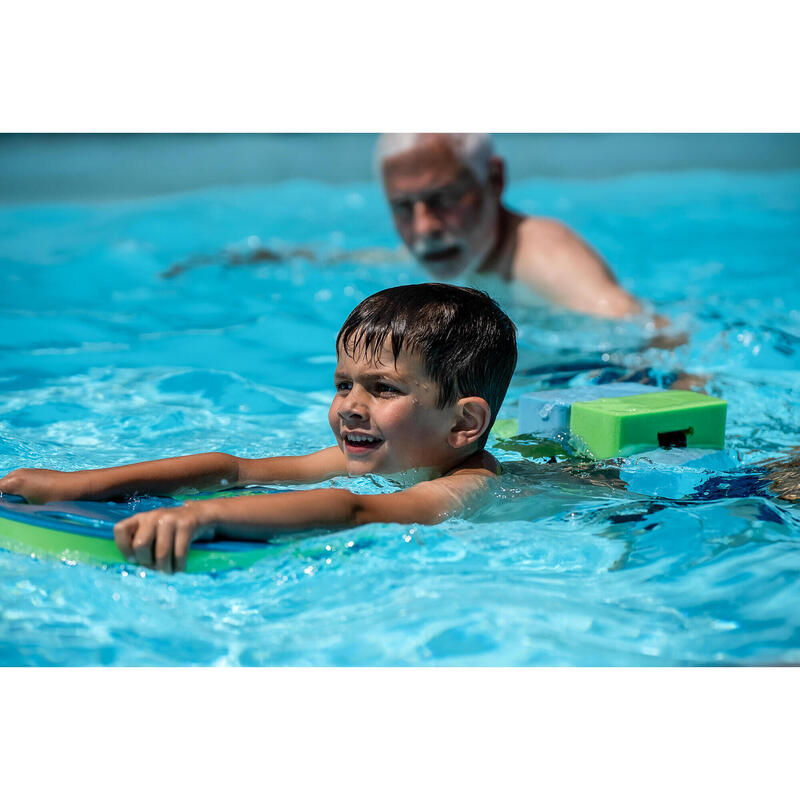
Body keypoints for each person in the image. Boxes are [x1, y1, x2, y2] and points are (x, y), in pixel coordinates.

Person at [0, 284, 517, 573]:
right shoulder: (395, 451)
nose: (350, 407)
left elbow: (357, 509)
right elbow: (238, 469)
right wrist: (76, 484)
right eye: (343, 385)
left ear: (463, 423)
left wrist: (205, 517)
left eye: (382, 389)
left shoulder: (468, 486)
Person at [377, 133, 644, 319]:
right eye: (402, 207)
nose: (424, 228)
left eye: (444, 199)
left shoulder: (542, 259)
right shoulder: (460, 246)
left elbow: (649, 332)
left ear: (495, 180)